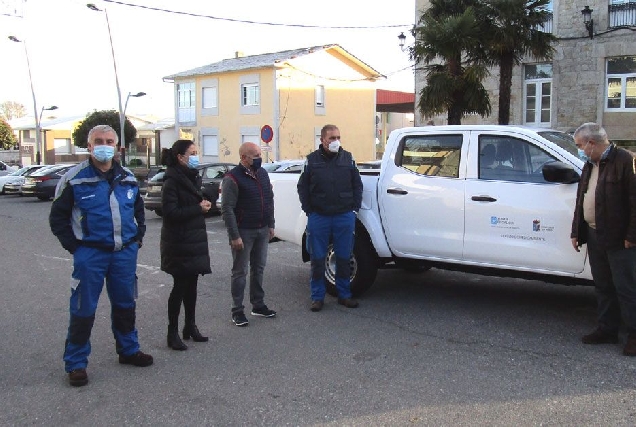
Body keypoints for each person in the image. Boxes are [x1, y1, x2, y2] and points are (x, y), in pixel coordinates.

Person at [49, 124, 152, 387]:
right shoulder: (75, 178)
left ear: (118, 147)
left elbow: (139, 212)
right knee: (83, 309)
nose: (104, 145)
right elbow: (58, 218)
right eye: (98, 141)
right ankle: (76, 363)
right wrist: (75, 247)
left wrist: (137, 239)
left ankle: (128, 350)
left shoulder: (127, 177)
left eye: (109, 141)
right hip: (90, 255)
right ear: (89, 145)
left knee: (125, 305)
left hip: (124, 255)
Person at [571, 122, 636, 356]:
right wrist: (577, 231)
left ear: (591, 143)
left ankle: (633, 336)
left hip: (620, 239)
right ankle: (607, 329)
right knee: (603, 285)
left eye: (579, 145)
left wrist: (632, 236)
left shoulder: (626, 161)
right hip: (595, 233)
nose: (579, 149)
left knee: (626, 288)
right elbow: (582, 198)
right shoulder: (590, 164)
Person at [297, 124, 363, 312]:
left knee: (343, 257)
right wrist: (309, 210)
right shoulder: (311, 161)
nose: (336, 141)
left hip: (344, 216)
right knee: (317, 258)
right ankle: (317, 297)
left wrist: (354, 210)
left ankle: (344, 295)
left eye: (338, 137)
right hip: (319, 216)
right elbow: (302, 187)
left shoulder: (348, 158)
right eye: (332, 138)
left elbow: (357, 185)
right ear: (322, 140)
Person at [160, 140, 212, 350]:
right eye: (192, 153)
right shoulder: (172, 180)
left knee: (192, 286)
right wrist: (198, 209)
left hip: (193, 240)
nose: (196, 156)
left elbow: (194, 202)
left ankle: (190, 326)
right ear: (180, 157)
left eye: (197, 152)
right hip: (179, 242)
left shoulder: (191, 177)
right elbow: (170, 213)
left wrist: (206, 201)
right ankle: (172, 332)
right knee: (179, 287)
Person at [221, 142, 277, 327]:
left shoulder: (262, 174)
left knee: (258, 268)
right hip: (243, 231)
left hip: (262, 229)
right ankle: (237, 310)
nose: (259, 158)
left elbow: (268, 199)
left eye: (259, 154)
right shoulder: (232, 178)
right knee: (240, 272)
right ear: (244, 157)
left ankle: (258, 305)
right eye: (255, 155)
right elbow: (227, 209)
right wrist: (234, 236)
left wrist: (271, 224)